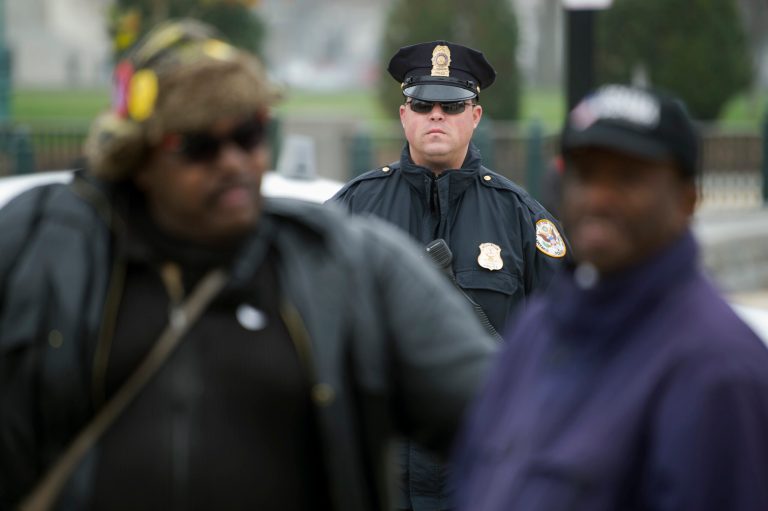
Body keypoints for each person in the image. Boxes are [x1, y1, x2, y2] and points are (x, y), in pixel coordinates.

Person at [0, 21, 498, 511]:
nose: (234, 161)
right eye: (200, 145)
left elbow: (510, 421)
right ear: (138, 155)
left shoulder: (345, 264)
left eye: (248, 135)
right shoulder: (37, 250)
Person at [453, 84, 768, 511]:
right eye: (585, 175)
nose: (599, 197)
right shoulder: (538, 329)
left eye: (628, 178)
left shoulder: (716, 369)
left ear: (687, 199)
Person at [328, 41, 568, 511]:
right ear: (404, 115)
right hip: (380, 474)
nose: (436, 115)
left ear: (475, 117)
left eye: (452, 105)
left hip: (483, 475)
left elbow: (566, 349)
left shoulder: (522, 219)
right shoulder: (352, 211)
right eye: (422, 104)